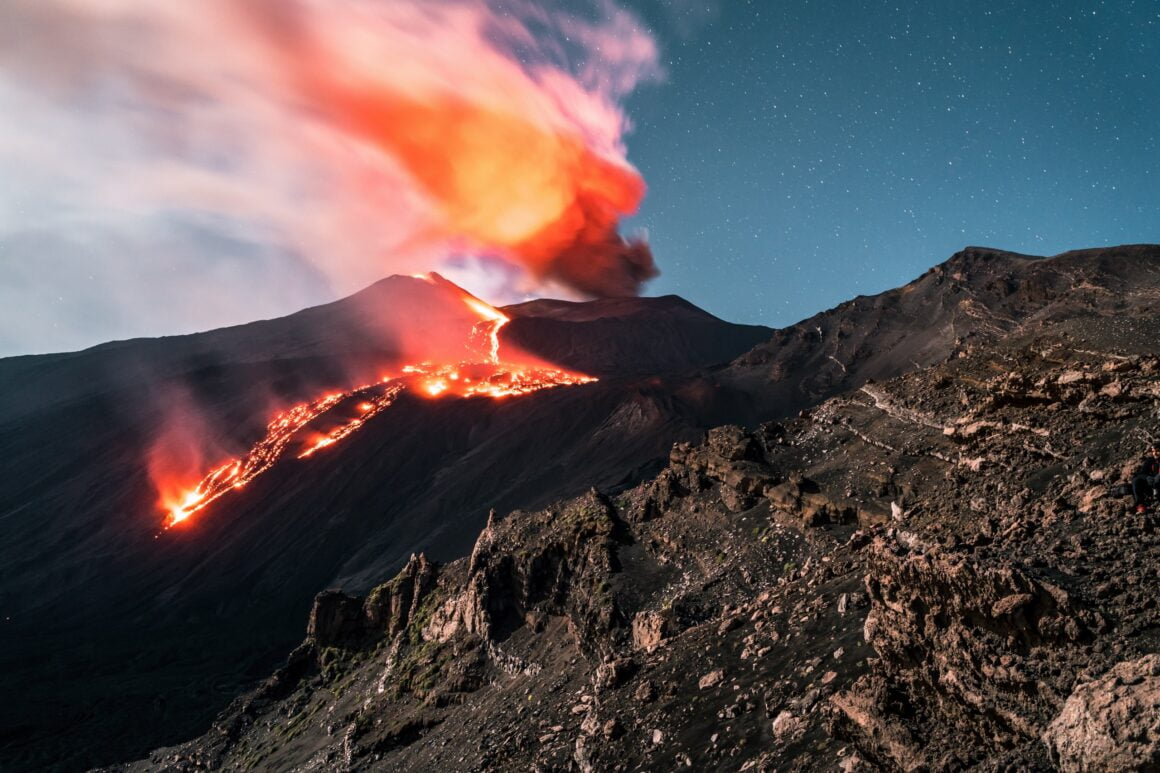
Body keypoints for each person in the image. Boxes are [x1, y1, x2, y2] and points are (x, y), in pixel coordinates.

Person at [1131, 445, 1160, 513]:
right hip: (1152, 485)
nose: (1155, 453)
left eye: (1158, 451)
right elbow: (1141, 473)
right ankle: (1140, 504)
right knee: (1136, 480)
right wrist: (1147, 477)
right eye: (1153, 451)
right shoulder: (1150, 460)